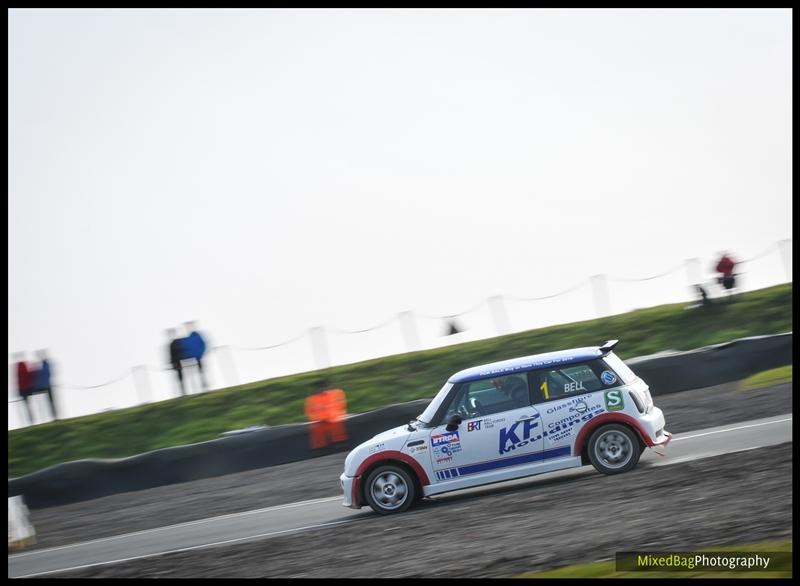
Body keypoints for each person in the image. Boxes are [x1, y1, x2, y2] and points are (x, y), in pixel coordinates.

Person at [181, 321, 208, 392]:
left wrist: (199, 354)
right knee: (196, 372)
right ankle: (198, 387)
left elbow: (202, 345)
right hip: (193, 358)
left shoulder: (195, 335)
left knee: (200, 372)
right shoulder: (191, 336)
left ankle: (203, 386)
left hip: (197, 357)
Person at [32, 350, 57, 420]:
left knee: (49, 403)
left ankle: (53, 417)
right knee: (49, 402)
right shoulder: (44, 365)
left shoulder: (42, 365)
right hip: (45, 386)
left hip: (43, 386)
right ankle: (52, 417)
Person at [14, 352, 34, 425]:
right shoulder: (23, 365)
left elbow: (20, 378)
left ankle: (30, 420)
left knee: (27, 405)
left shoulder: (20, 366)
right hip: (25, 388)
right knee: (28, 405)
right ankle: (30, 420)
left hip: (23, 389)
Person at [167, 328, 186, 397]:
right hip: (177, 362)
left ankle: (183, 391)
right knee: (179, 378)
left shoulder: (174, 343)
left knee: (180, 377)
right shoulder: (173, 344)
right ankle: (182, 391)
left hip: (179, 362)